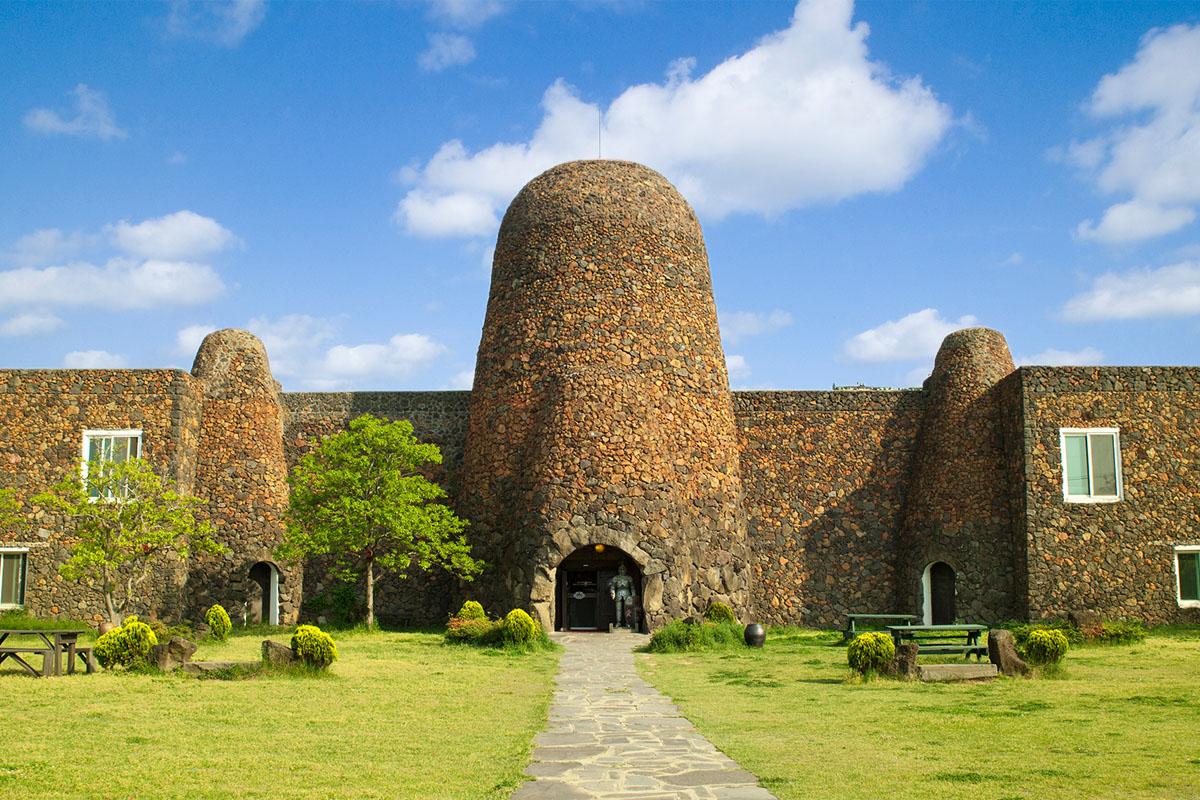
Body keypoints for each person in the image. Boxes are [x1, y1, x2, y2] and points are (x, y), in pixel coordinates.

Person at [608, 563, 637, 628]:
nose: (622, 570)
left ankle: (628, 623)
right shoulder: (616, 578)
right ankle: (618, 622)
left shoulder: (628, 577)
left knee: (628, 609)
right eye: (620, 569)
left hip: (627, 593)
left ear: (626, 570)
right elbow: (612, 587)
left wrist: (633, 594)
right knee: (618, 609)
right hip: (618, 593)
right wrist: (613, 593)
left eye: (623, 569)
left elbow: (632, 587)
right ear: (618, 570)